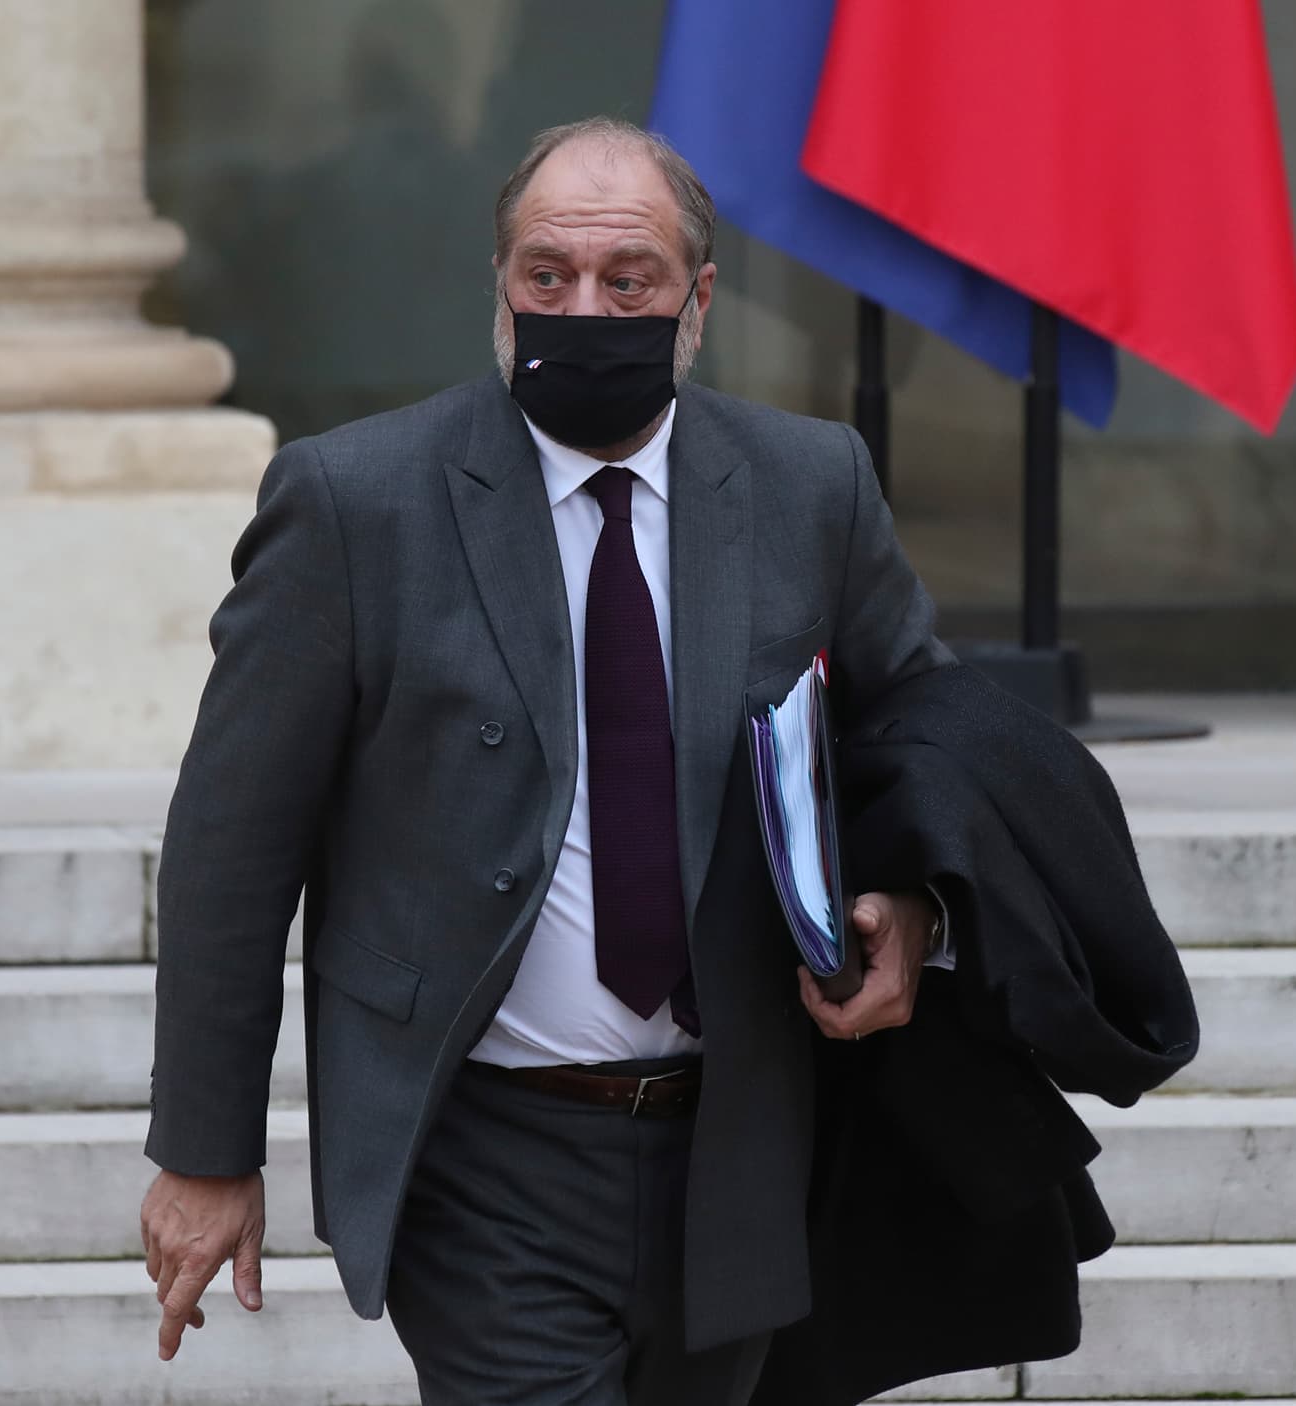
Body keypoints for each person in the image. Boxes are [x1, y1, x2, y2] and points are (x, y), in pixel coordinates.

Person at [140, 116, 1157, 1406]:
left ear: (699, 299)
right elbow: (234, 839)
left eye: (629, 281)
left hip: (739, 1143)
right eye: (547, 276)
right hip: (482, 1150)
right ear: (500, 286)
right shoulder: (356, 504)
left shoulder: (809, 484)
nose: (585, 307)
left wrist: (915, 908)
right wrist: (206, 1150)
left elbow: (923, 733)